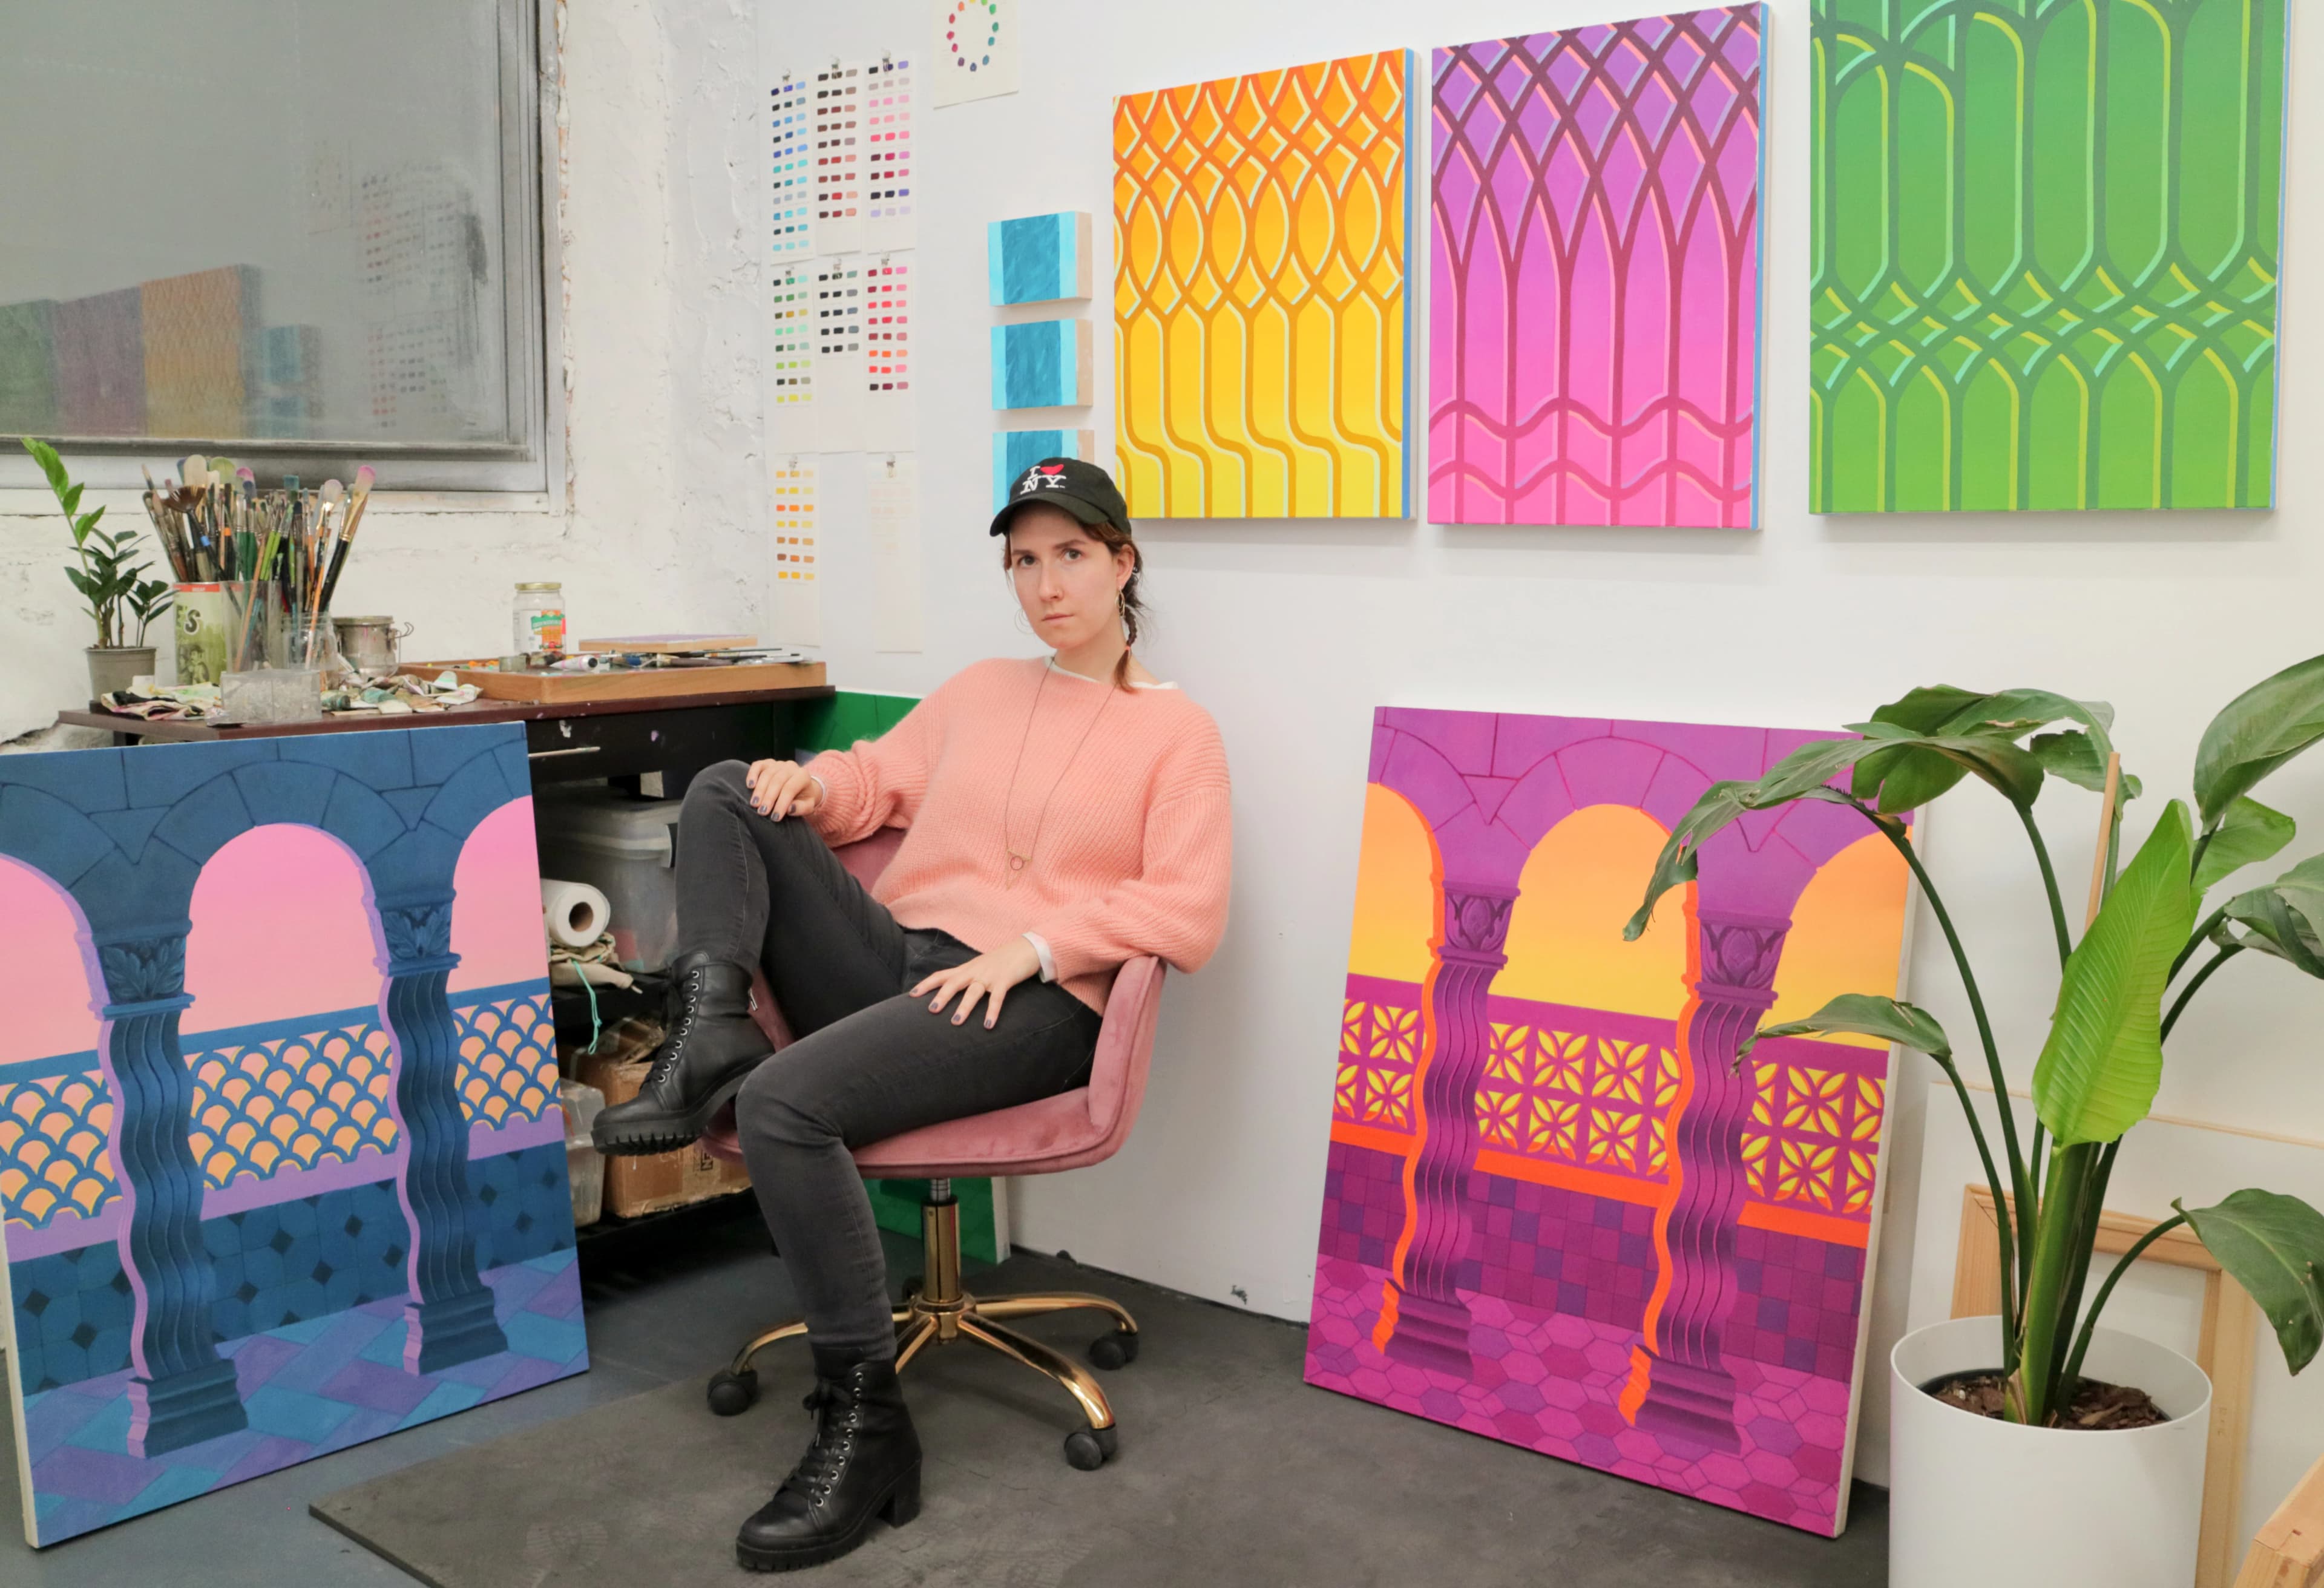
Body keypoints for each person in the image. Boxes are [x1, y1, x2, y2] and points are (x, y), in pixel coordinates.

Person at [591, 458, 1232, 1572]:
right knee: (727, 784)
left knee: (786, 1107)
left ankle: (867, 1423)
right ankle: (711, 1026)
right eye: (1023, 560)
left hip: (1036, 1001)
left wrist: (1034, 949)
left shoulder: (1178, 737)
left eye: (1071, 554)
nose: (1045, 584)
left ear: (1123, 564)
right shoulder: (984, 687)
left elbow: (1186, 905)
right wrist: (817, 788)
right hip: (903, 961)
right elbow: (874, 779)